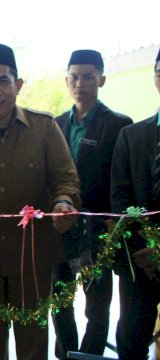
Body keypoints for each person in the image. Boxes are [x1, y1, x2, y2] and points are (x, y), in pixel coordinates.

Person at [0, 43, 81, 360]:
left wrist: (63, 203)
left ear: (18, 85)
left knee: (32, 340)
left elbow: (65, 179)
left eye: (3, 81)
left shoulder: (44, 127)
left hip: (34, 257)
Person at [51, 49, 132, 359]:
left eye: (88, 77)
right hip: (60, 228)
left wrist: (114, 226)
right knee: (59, 301)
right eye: (74, 76)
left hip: (99, 232)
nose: (80, 83)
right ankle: (67, 352)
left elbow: (120, 182)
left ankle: (91, 355)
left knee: (97, 306)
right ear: (66, 80)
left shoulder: (118, 125)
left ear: (102, 79)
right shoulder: (55, 124)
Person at [110, 47, 160, 360]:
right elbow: (120, 199)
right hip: (139, 260)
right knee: (131, 341)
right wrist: (147, 248)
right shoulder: (131, 136)